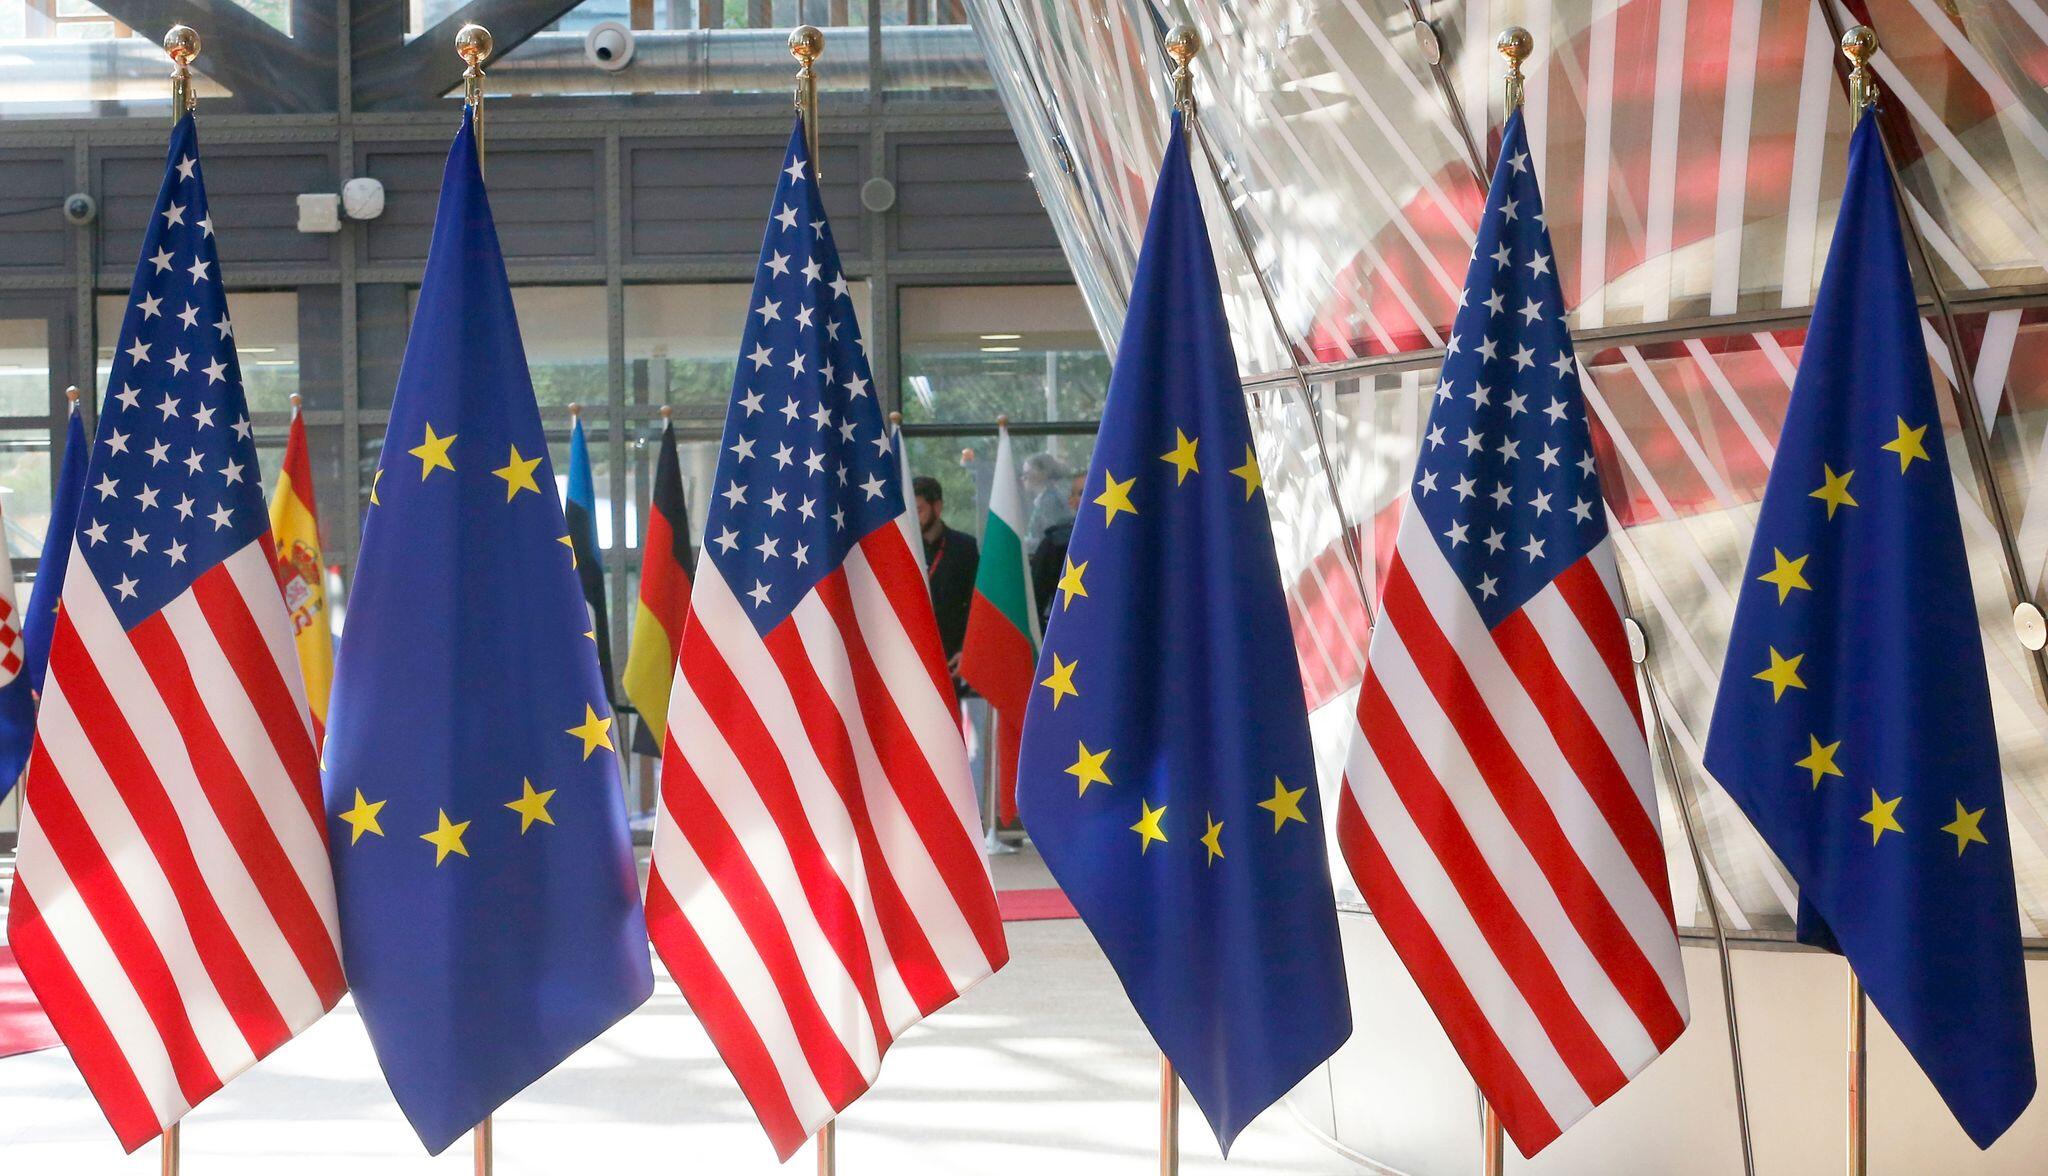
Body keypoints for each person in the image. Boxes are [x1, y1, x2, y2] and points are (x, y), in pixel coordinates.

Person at [913, 476, 979, 677]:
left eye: (919, 510)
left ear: (937, 507)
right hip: (912, 652)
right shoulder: (902, 547)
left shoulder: (964, 547)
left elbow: (976, 604)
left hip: (950, 654)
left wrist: (966, 649)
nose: (914, 517)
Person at [1029, 471, 1086, 630]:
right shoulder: (1055, 544)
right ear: (1071, 502)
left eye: (1098, 491)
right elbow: (1035, 604)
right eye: (1083, 493)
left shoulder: (1130, 545)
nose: (1095, 497)